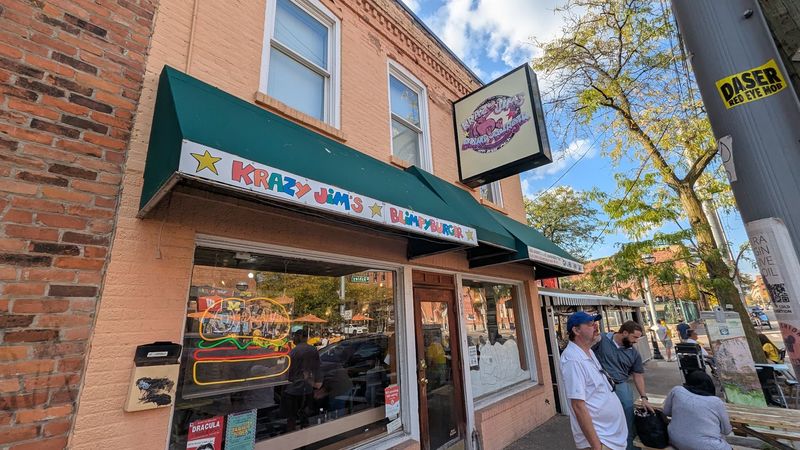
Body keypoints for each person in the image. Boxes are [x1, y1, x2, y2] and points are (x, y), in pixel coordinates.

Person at [560, 311, 627, 450]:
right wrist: (597, 446)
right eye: (590, 324)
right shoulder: (573, 360)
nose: (596, 327)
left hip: (611, 437)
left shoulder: (588, 352)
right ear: (576, 330)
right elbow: (578, 406)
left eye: (595, 323)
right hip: (600, 439)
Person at [593, 321, 653, 450]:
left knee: (627, 418)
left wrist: (644, 397)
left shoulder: (633, 353)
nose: (636, 341)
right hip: (599, 386)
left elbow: (638, 374)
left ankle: (629, 446)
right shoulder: (602, 340)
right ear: (624, 333)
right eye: (634, 337)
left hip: (620, 385)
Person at [663, 371, 732, 450]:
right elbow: (727, 431)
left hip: (674, 440)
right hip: (705, 446)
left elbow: (666, 412)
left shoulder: (677, 390)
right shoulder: (716, 402)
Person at [281, 329, 322, 431]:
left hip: (294, 389)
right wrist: (317, 383)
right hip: (307, 388)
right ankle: (305, 439)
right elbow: (317, 368)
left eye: (294, 336)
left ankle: (291, 440)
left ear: (299, 336)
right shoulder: (313, 350)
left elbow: (287, 371)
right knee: (304, 417)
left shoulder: (294, 352)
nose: (293, 339)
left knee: (291, 418)